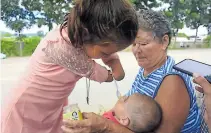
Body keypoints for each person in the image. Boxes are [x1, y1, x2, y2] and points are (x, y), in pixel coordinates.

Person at [1, 0, 138, 133]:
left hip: (52, 108)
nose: (108, 55)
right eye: (105, 53)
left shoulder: (85, 36)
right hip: (25, 109)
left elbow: (106, 51)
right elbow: (109, 75)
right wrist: (115, 72)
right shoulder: (61, 47)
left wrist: (113, 59)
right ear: (86, 35)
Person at [61, 9, 202, 133]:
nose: (137, 51)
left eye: (143, 44)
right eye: (133, 44)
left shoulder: (173, 80)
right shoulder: (146, 70)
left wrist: (105, 126)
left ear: (164, 42)